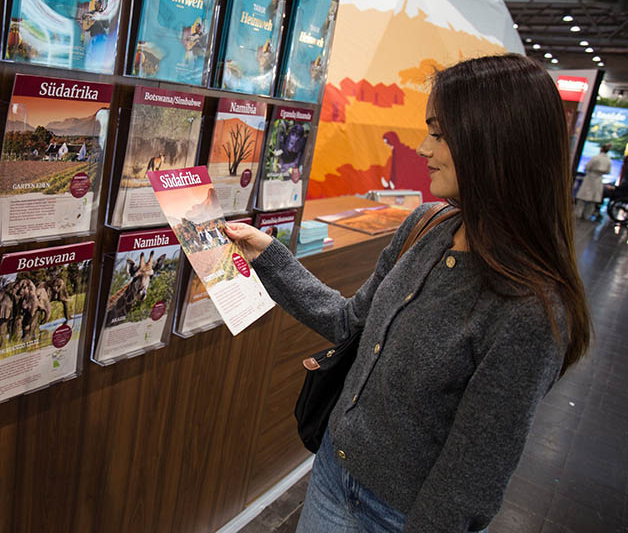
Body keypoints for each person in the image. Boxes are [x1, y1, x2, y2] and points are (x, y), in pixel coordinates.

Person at [226, 54, 591, 532]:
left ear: (495, 142)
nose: (422, 148)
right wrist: (269, 255)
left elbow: (469, 482)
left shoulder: (530, 311)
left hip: (396, 517)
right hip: (331, 474)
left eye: (439, 134)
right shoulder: (427, 227)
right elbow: (349, 322)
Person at [574, 143, 612, 220]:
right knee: (592, 200)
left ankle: (578, 214)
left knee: (582, 198)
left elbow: (588, 167)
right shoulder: (608, 160)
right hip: (598, 179)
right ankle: (587, 216)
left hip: (590, 178)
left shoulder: (595, 157)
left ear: (601, 149)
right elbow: (608, 171)